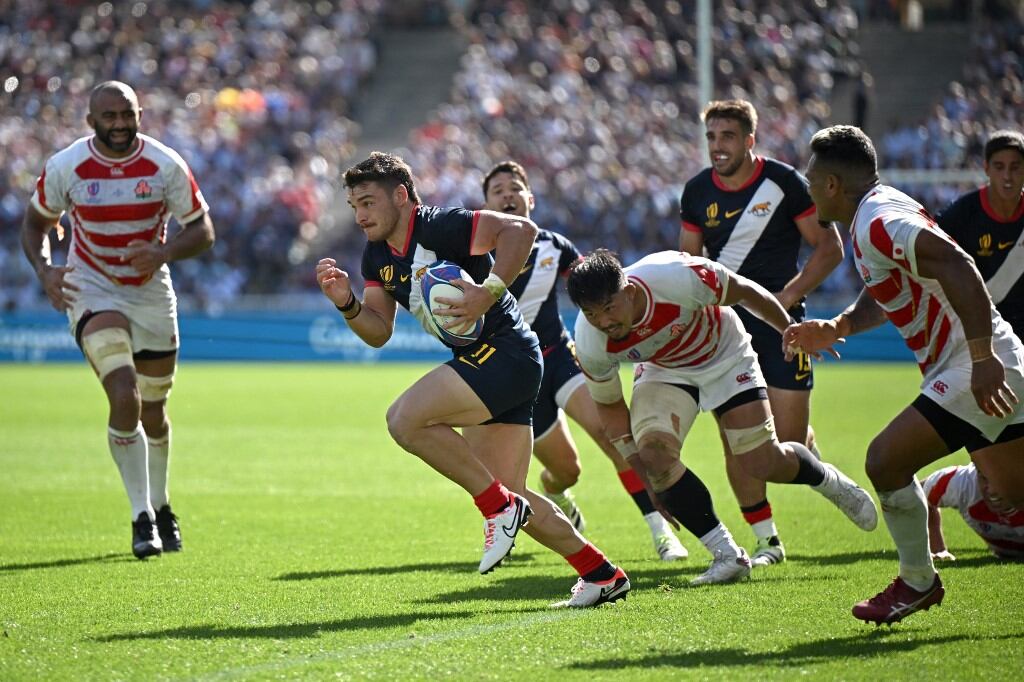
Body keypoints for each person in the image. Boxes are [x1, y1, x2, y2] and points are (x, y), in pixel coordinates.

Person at [315, 152, 629, 608]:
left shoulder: (441, 224)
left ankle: (495, 506)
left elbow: (520, 231)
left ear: (401, 196)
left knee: (404, 420)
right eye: (354, 206)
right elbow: (378, 331)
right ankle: (601, 573)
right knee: (515, 494)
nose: (360, 216)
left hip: (508, 353)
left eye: (367, 203)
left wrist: (489, 292)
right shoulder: (375, 256)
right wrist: (346, 304)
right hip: (496, 363)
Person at [784, 124, 1024, 625]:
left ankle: (918, 582)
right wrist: (840, 325)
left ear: (832, 185)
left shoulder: (876, 218)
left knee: (884, 462)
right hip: (976, 361)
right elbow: (892, 285)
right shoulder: (873, 214)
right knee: (1014, 492)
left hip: (972, 363)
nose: (807, 189)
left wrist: (981, 356)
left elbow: (956, 263)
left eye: (811, 180)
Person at [565, 249, 877, 586]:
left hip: (724, 354)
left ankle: (827, 480)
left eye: (609, 308)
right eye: (592, 313)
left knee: (760, 462)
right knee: (654, 454)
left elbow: (744, 290)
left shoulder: (677, 276)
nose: (604, 322)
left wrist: (789, 328)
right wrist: (646, 479)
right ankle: (728, 555)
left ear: (629, 291)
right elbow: (610, 409)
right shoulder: (589, 338)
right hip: (665, 370)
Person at [21, 81, 215, 559]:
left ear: (140, 115)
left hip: (150, 293)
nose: (120, 124)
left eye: (127, 115)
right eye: (109, 116)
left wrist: (164, 251)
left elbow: (203, 230)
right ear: (92, 121)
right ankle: (140, 517)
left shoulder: (165, 164)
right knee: (124, 395)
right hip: (92, 287)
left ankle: (163, 505)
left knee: (154, 410)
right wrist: (45, 270)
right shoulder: (67, 166)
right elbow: (35, 223)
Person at [482, 160, 687, 561]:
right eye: (498, 190)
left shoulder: (554, 247)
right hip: (517, 379)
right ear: (486, 203)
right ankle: (557, 493)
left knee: (615, 438)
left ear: (530, 199)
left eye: (515, 187)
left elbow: (597, 288)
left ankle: (662, 533)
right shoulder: (476, 254)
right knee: (566, 470)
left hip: (560, 360)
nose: (507, 194)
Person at [679, 99, 845, 566]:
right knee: (742, 439)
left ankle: (816, 465)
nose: (717, 146)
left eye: (727, 136)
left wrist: (786, 299)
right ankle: (767, 540)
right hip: (725, 333)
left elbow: (829, 249)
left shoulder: (785, 183)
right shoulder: (695, 192)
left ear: (750, 140)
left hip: (783, 327)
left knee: (785, 445)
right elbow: (689, 261)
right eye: (711, 137)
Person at [936, 130, 1024, 335]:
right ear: (986, 168)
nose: (1007, 176)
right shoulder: (961, 214)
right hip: (978, 327)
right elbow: (927, 253)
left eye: (1015, 167)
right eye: (999, 167)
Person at [923, 463, 1024, 561]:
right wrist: (938, 549)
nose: (992, 490)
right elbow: (914, 495)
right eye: (984, 477)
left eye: (1002, 479)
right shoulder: (962, 484)